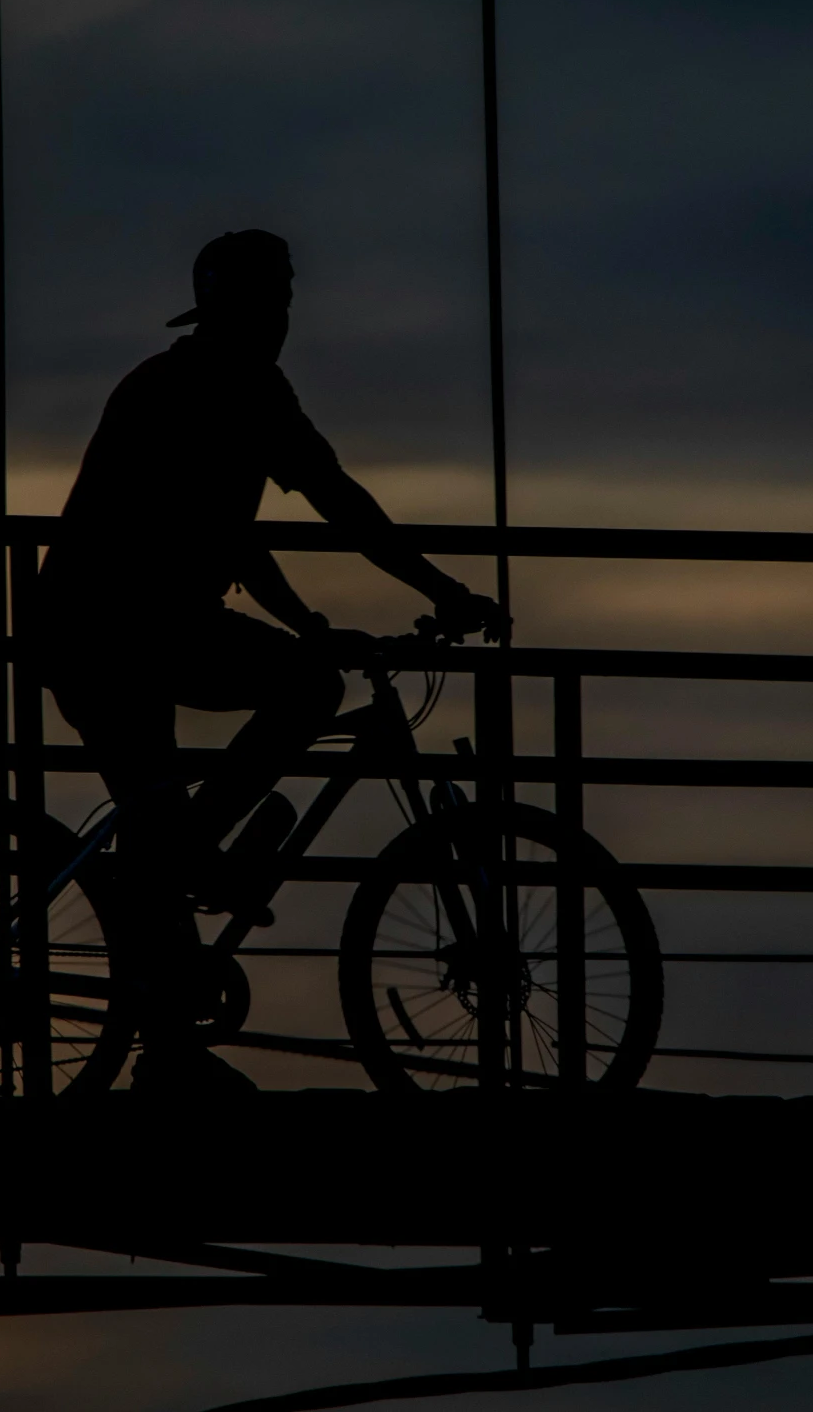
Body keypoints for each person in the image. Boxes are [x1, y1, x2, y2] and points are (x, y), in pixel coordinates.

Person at [34, 229, 509, 1094]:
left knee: (173, 810)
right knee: (303, 690)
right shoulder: (216, 389)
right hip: (115, 630)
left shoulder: (213, 385)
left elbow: (239, 537)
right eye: (272, 301)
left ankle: (170, 1013)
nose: (283, 317)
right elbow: (339, 503)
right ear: (239, 310)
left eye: (285, 300)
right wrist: (441, 589)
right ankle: (187, 878)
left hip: (117, 626)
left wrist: (309, 618)